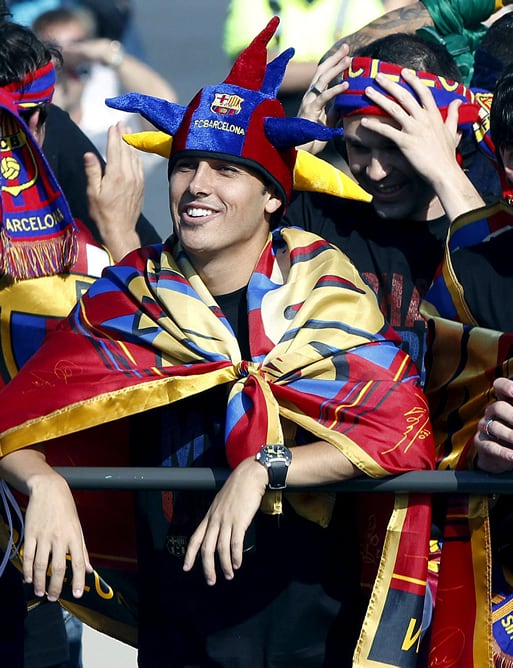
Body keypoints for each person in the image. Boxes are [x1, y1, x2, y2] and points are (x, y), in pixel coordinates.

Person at [0, 17, 436, 668]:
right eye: (185, 167)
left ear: (270, 196)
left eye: (226, 169)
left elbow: (399, 432)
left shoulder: (328, 296)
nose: (197, 185)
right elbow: (18, 415)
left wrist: (265, 469)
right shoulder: (128, 296)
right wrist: (44, 483)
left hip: (311, 632)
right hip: (178, 637)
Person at [286, 32, 492, 382]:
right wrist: (294, 154)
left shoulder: (494, 216)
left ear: (449, 133)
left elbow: (497, 298)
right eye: (359, 148)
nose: (377, 171)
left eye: (396, 146)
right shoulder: (318, 216)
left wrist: (445, 171)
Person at [32, 5, 177, 164]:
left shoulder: (110, 121)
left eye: (76, 43)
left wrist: (111, 56)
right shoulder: (26, 116)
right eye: (52, 48)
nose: (66, 59)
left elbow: (166, 113)